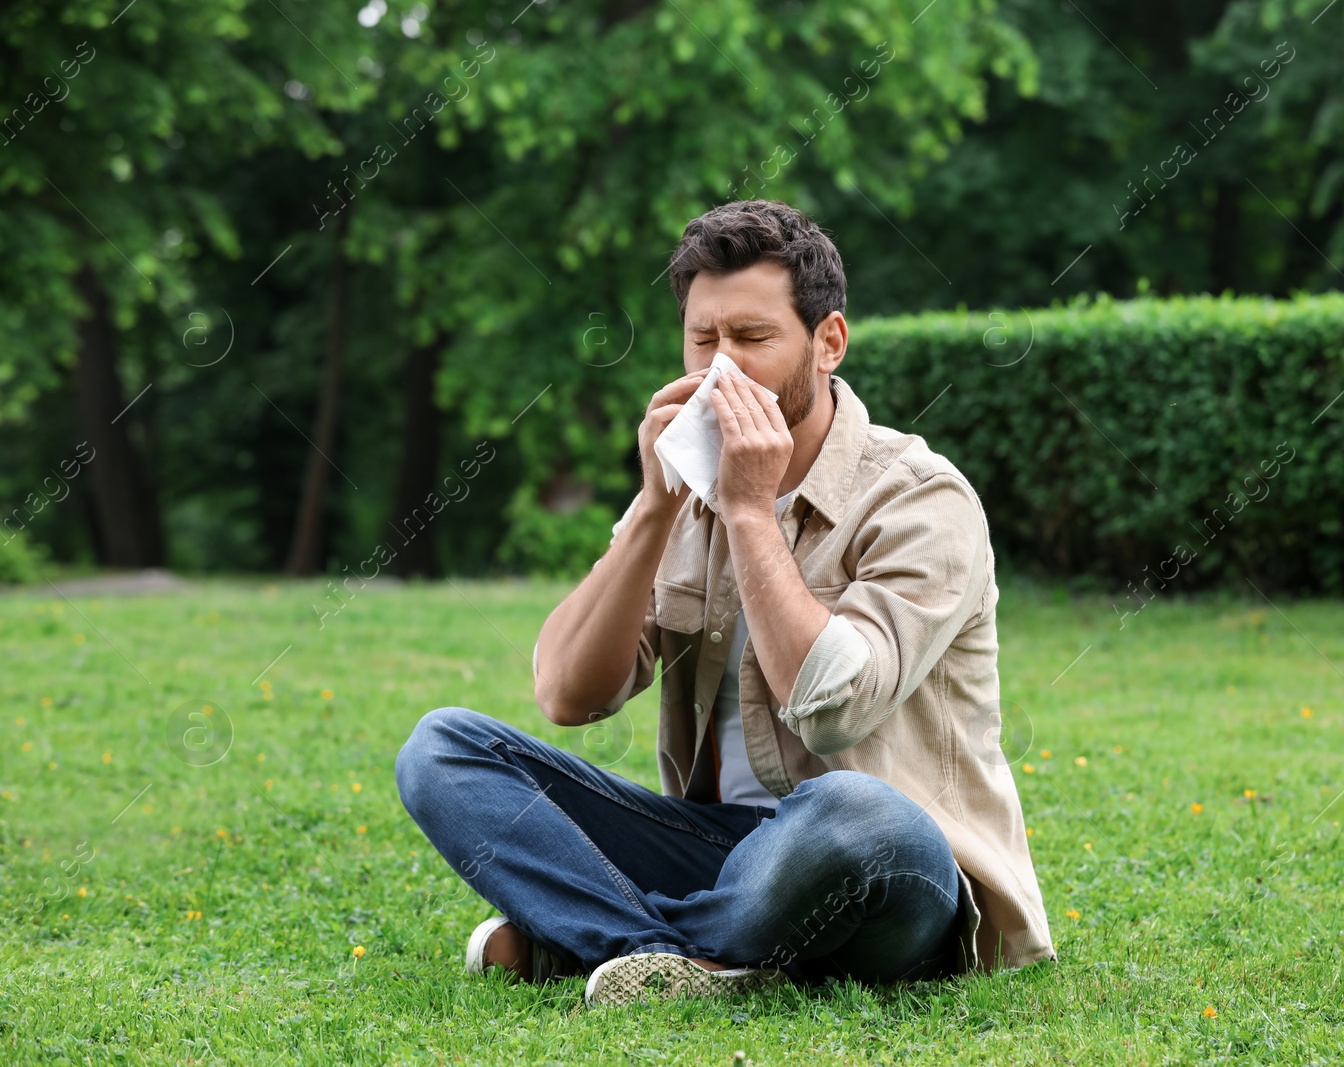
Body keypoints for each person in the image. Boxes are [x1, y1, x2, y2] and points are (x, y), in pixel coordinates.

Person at [394, 199, 1054, 1008]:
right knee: (445, 749)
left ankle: (587, 934)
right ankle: (670, 957)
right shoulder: (686, 493)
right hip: (721, 851)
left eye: (751, 338)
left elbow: (832, 710)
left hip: (893, 866)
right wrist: (652, 509)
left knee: (848, 811)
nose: (721, 369)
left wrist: (749, 510)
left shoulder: (922, 501)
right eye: (702, 339)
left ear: (829, 342)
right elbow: (569, 694)